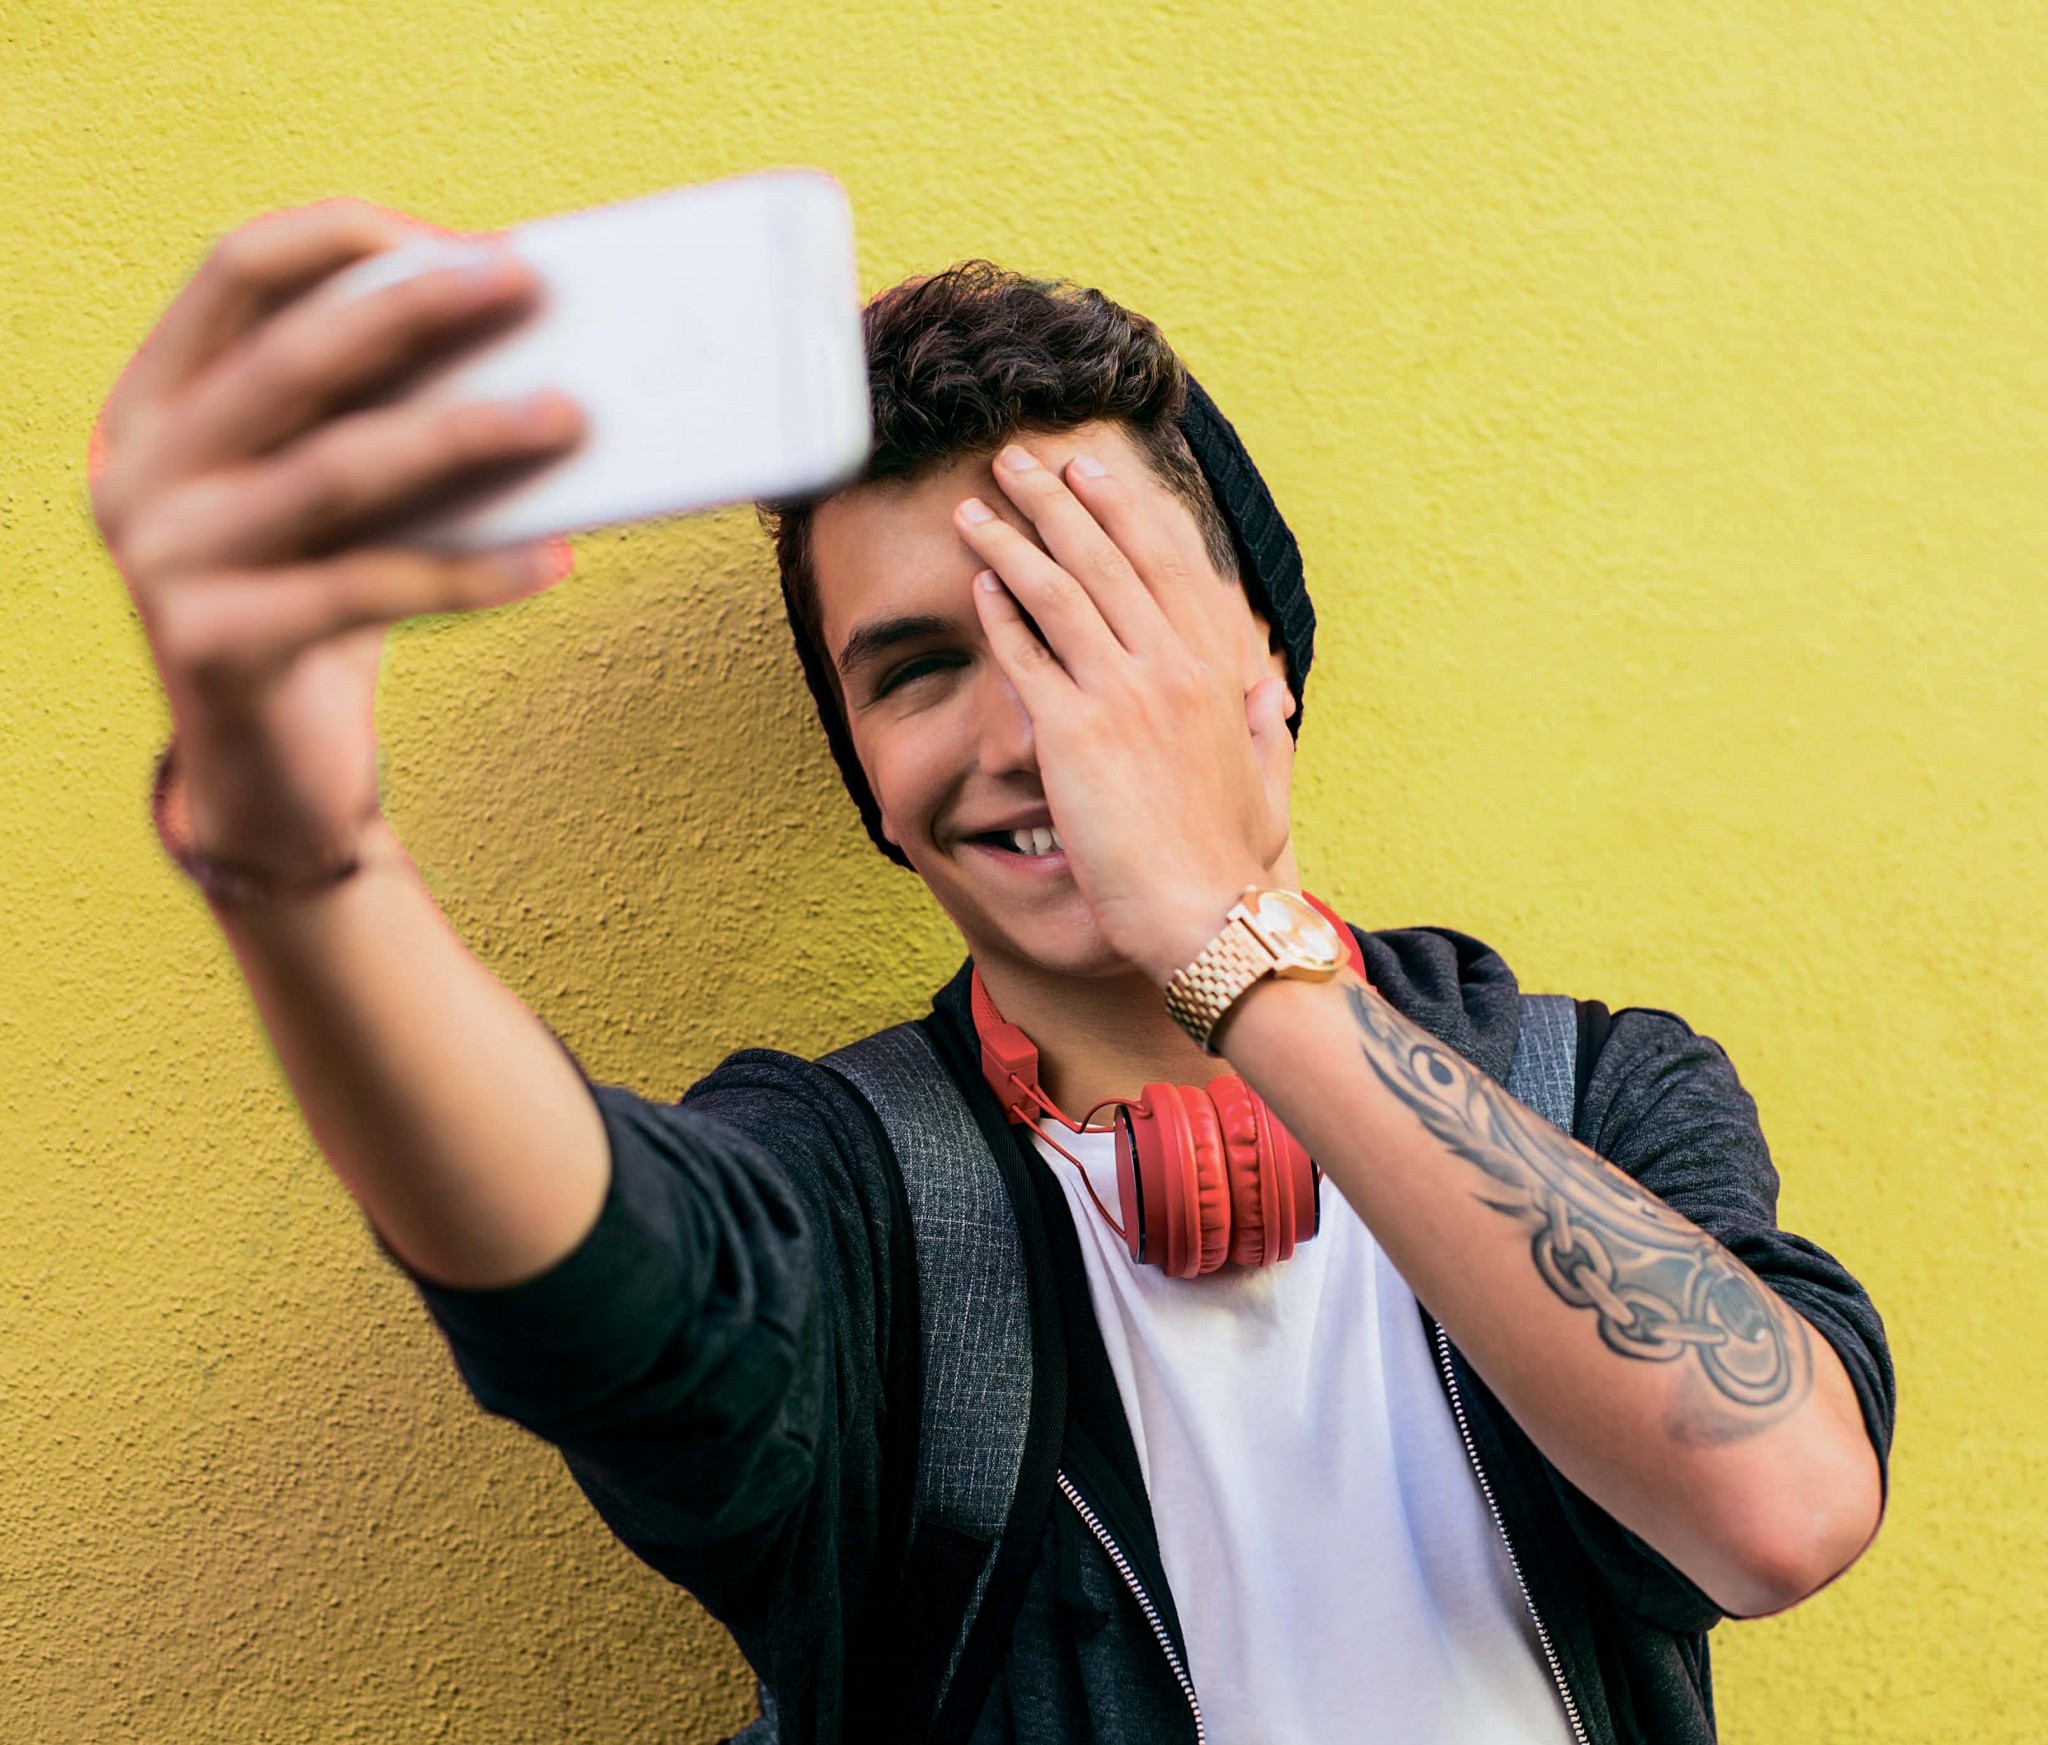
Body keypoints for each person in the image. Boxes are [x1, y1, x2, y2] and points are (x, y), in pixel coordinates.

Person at [91, 200, 1893, 1745]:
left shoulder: (1598, 1089)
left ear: (1264, 657)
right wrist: (300, 849)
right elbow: (594, 1270)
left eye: (1082, 617)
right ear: (869, 780)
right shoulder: (850, 1193)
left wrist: (1230, 947)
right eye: (918, 669)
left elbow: (1783, 1505)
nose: (1026, 731)